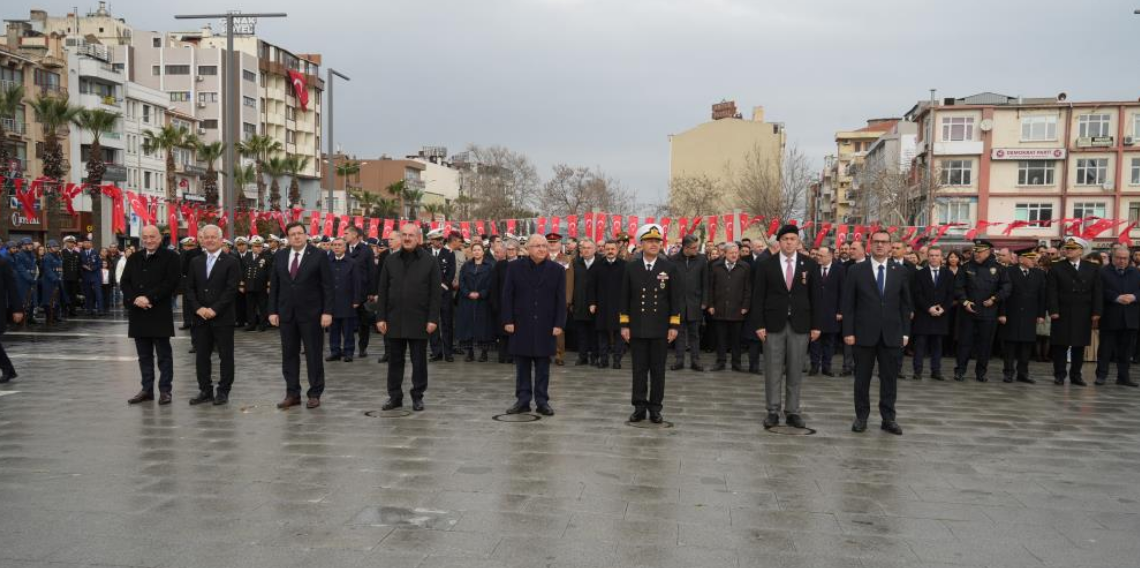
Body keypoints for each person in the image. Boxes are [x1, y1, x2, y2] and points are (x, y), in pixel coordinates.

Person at [749, 225, 821, 430]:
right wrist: (759, 324)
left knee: (796, 368)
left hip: (800, 324)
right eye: (785, 239)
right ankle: (772, 410)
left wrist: (816, 326)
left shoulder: (809, 264)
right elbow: (758, 296)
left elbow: (816, 297)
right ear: (779, 242)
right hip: (773, 324)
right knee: (772, 368)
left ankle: (793, 411)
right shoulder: (766, 264)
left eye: (793, 239)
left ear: (798, 242)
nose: (789, 242)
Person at [843, 230, 912, 436]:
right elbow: (848, 304)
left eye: (884, 242)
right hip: (863, 333)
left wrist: (906, 332)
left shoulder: (900, 271)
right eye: (876, 242)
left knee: (889, 379)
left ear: (891, 246)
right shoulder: (857, 271)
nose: (880, 246)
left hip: (892, 333)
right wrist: (848, 331)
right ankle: (861, 417)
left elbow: (905, 305)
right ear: (869, 245)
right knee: (862, 378)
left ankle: (888, 418)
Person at [269, 221, 335, 409]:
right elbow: (275, 285)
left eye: (300, 233)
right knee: (289, 354)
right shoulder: (281, 256)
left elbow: (328, 286)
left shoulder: (319, 255)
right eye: (292, 234)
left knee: (313, 354)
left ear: (306, 235)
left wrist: (327, 312)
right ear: (288, 238)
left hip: (312, 314)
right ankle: (292, 393)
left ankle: (314, 393)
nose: (296, 237)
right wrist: (272, 310)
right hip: (286, 314)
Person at [620, 224, 681, 424]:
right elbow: (624, 298)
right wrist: (624, 325)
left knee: (657, 370)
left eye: (657, 241)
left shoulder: (669, 267)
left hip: (660, 328)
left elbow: (675, 299)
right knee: (638, 370)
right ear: (641, 244)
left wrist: (674, 326)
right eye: (649, 241)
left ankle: (655, 408)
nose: (654, 244)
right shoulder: (631, 267)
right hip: (637, 327)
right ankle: (639, 407)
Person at [376, 224, 441, 411]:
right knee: (394, 361)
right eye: (403, 235)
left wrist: (432, 319)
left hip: (419, 320)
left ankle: (417, 395)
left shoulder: (429, 261)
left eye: (411, 235)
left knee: (419, 361)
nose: (407, 238)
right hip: (394, 319)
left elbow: (435, 294)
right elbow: (383, 290)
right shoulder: (390, 260)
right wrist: (381, 317)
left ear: (418, 238)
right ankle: (394, 396)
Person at [502, 234, 566, 415]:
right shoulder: (514, 268)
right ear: (528, 249)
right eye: (537, 246)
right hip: (521, 323)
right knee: (522, 364)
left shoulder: (557, 270)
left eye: (544, 246)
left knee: (543, 365)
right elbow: (507, 296)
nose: (541, 249)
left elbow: (561, 300)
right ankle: (522, 400)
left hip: (546, 324)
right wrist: (508, 320)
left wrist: (559, 323)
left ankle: (542, 400)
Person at [121, 225, 182, 404]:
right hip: (138, 313)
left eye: (152, 236)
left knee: (164, 355)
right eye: (145, 237)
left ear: (160, 237)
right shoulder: (134, 258)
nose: (148, 240)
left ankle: (165, 390)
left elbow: (171, 283)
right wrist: (135, 299)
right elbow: (125, 282)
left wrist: (149, 298)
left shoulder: (171, 257)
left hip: (159, 312)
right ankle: (147, 389)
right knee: (144, 355)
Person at [184, 225, 240, 406]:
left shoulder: (231, 261)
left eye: (213, 237)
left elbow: (231, 290)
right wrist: (198, 308)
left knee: (225, 355)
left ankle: (223, 391)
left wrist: (214, 309)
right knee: (201, 356)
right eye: (205, 237)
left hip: (222, 317)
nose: (209, 240)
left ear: (220, 239)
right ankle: (205, 390)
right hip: (200, 318)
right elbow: (189, 288)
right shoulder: (195, 261)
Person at [953, 240, 1011, 383]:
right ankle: (960, 370)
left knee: (985, 344)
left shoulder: (998, 268)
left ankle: (981, 372)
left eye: (979, 252)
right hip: (968, 311)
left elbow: (1006, 287)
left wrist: (995, 298)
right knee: (964, 343)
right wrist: (964, 301)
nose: (976, 254)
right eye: (975, 251)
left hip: (989, 312)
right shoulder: (966, 267)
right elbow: (958, 287)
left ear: (988, 252)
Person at [1047, 237, 1103, 386]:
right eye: (1067, 248)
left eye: (1072, 248)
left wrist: (1096, 311)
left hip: (1083, 311)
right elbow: (1051, 291)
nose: (1068, 250)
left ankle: (1076, 375)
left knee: (1079, 345)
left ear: (1081, 251)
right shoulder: (1057, 267)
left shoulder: (1092, 268)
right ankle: (1059, 374)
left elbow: (1097, 291)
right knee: (1060, 345)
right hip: (1063, 310)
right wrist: (1053, 310)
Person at [999, 247, 1047, 384]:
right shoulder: (1008, 271)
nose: (1034, 260)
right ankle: (1008, 373)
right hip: (1011, 314)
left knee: (1026, 345)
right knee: (1010, 346)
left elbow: (1042, 296)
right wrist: (1002, 313)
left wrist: (1041, 314)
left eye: (1034, 258)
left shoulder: (1039, 274)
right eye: (1030, 258)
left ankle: (1023, 373)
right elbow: (1003, 294)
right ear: (1021, 259)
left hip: (1030, 314)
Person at [1094, 246, 1140, 387]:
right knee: (1105, 349)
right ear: (1112, 257)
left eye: (1125, 258)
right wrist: (1116, 297)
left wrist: (1134, 296)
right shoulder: (1102, 272)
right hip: (1110, 315)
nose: (1122, 261)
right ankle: (1101, 375)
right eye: (1119, 258)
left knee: (1126, 350)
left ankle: (1123, 377)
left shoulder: (1136, 272)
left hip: (1130, 317)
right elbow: (1099, 291)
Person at [910, 246, 954, 381]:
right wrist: (929, 308)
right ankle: (917, 371)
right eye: (931, 255)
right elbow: (917, 294)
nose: (934, 258)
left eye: (937, 255)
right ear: (927, 257)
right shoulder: (919, 274)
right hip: (924, 315)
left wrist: (943, 308)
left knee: (937, 345)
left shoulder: (948, 274)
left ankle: (936, 371)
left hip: (941, 315)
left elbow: (951, 294)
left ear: (941, 258)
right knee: (920, 345)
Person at [708, 242, 751, 372]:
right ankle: (720, 362)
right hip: (719, 307)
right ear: (725, 253)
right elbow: (710, 287)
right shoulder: (715, 266)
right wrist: (710, 304)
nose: (734, 255)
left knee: (736, 339)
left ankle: (736, 363)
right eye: (731, 253)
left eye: (736, 253)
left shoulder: (745, 267)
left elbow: (748, 288)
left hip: (737, 308)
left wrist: (745, 305)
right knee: (720, 338)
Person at [670, 235, 708, 371]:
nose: (696, 250)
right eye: (693, 248)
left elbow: (705, 282)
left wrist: (704, 301)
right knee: (679, 333)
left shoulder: (702, 260)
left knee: (694, 333)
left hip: (695, 302)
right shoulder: (673, 260)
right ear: (685, 248)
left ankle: (695, 360)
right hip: (678, 303)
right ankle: (679, 360)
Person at [809, 246, 845, 377]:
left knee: (829, 342)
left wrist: (840, 311)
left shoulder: (839, 270)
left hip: (832, 312)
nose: (818, 257)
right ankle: (814, 366)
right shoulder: (813, 269)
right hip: (815, 312)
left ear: (830, 256)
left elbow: (843, 292)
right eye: (818, 255)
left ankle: (826, 367)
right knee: (814, 341)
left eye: (821, 256)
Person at [457, 242, 496, 362]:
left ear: (483, 251)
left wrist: (481, 293)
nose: (477, 252)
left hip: (482, 301)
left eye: (479, 250)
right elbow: (461, 281)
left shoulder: (489, 266)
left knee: (483, 326)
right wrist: (468, 293)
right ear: (472, 252)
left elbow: (491, 284)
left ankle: (484, 352)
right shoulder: (466, 266)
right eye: (474, 250)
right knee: (468, 326)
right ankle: (470, 352)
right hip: (467, 300)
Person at [326, 237, 363, 362]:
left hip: (348, 301)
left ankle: (348, 351)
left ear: (345, 248)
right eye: (334, 245)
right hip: (332, 301)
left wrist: (356, 299)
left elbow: (357, 283)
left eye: (339, 245)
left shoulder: (352, 262)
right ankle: (335, 351)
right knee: (333, 329)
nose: (336, 247)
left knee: (348, 329)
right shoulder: (327, 261)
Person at [591, 240, 626, 369]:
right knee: (602, 334)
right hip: (602, 305)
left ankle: (617, 360)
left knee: (619, 335)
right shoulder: (597, 265)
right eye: (608, 249)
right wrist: (592, 302)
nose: (610, 251)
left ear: (617, 250)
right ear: (604, 250)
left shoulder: (625, 266)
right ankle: (603, 359)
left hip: (619, 305)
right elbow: (591, 286)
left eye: (613, 249)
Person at [344, 226, 376, 357]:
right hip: (346, 291)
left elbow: (372, 271)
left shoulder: (366, 250)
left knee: (364, 323)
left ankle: (363, 347)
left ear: (355, 235)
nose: (344, 235)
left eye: (346, 233)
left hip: (362, 292)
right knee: (346, 321)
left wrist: (372, 291)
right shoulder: (343, 248)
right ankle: (347, 348)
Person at [426, 229, 456, 362]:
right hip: (429, 294)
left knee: (446, 323)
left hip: (444, 293)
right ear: (431, 241)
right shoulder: (425, 254)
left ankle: (448, 352)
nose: (440, 242)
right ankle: (436, 351)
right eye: (437, 240)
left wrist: (443, 286)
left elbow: (451, 272)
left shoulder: (449, 253)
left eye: (441, 240)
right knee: (432, 322)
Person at [568, 239, 599, 366]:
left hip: (596, 305)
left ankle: (595, 356)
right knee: (581, 333)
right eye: (583, 248)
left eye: (589, 248)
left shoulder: (600, 263)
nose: (586, 250)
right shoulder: (575, 263)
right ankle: (582, 356)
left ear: (595, 249)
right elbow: (571, 284)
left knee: (595, 333)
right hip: (579, 303)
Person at [489, 238, 518, 364]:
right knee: (502, 331)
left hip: (517, 304)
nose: (510, 252)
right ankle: (503, 355)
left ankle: (513, 355)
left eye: (513, 249)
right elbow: (494, 286)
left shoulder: (522, 264)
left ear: (517, 250)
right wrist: (495, 303)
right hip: (502, 303)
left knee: (515, 331)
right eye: (508, 249)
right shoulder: (500, 265)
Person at [0, 255, 24, 383]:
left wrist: (17, 309)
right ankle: (8, 370)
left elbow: (12, 287)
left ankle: (8, 370)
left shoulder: (3, 262)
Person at [243, 236, 272, 331]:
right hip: (249, 285)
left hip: (261, 286)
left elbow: (269, 272)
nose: (258, 248)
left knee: (262, 306)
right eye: (256, 246)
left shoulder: (266, 257)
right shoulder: (246, 257)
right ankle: (251, 324)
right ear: (251, 247)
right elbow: (242, 271)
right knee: (250, 306)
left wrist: (268, 285)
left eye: (260, 246)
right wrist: (242, 285)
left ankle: (262, 325)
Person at [40, 240, 66, 324]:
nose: (57, 248)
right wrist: (55, 278)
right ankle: (49, 317)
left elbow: (60, 269)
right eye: (55, 247)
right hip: (49, 282)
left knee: (57, 300)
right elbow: (47, 270)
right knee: (49, 300)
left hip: (58, 281)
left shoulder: (58, 257)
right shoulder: (47, 257)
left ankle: (55, 316)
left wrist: (60, 278)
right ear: (49, 248)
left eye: (57, 247)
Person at [232, 236, 252, 329]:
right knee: (238, 303)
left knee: (249, 303)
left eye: (243, 244)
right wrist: (239, 284)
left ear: (247, 245)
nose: (241, 247)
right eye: (239, 245)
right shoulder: (233, 256)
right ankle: (239, 321)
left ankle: (249, 320)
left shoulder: (251, 255)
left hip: (249, 283)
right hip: (237, 284)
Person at [61, 235, 81, 316]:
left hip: (74, 278)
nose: (72, 244)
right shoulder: (62, 253)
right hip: (65, 277)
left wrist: (79, 277)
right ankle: (64, 310)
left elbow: (79, 266)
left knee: (73, 295)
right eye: (69, 242)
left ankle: (72, 310)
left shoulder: (77, 253)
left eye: (73, 243)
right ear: (65, 243)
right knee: (65, 294)